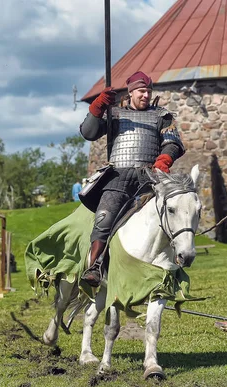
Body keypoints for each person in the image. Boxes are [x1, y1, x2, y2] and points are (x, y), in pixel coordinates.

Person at [78, 71, 184, 287]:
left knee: (174, 212)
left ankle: (175, 262)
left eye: (148, 91)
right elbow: (89, 133)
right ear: (131, 92)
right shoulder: (115, 114)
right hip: (118, 177)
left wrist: (164, 159)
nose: (145, 95)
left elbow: (173, 142)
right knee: (104, 217)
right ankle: (95, 266)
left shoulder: (162, 116)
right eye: (141, 91)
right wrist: (97, 108)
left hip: (150, 177)